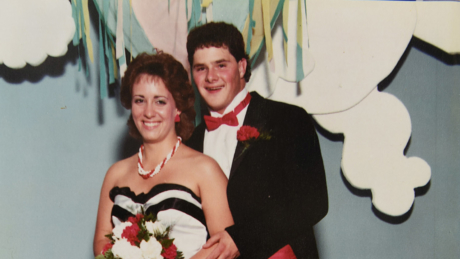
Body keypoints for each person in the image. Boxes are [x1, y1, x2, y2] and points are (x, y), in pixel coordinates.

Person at [185, 22, 329, 259]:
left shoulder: (288, 119)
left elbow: (312, 201)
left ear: (241, 67)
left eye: (221, 65)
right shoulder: (190, 142)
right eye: (201, 68)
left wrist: (241, 238)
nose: (211, 77)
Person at [93, 52, 234, 259]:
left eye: (160, 102)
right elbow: (101, 242)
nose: (148, 112)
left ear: (177, 108)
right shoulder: (115, 174)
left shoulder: (205, 169)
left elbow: (225, 245)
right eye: (140, 100)